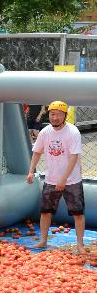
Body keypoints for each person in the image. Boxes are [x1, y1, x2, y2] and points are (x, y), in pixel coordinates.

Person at [27, 100, 86, 254]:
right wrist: (31, 170)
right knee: (46, 211)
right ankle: (43, 240)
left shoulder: (73, 132)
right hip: (51, 179)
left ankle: (80, 245)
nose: (55, 118)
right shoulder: (45, 132)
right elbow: (37, 152)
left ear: (65, 115)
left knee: (78, 213)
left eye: (58, 115)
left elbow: (74, 157)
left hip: (71, 180)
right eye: (52, 114)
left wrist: (63, 179)